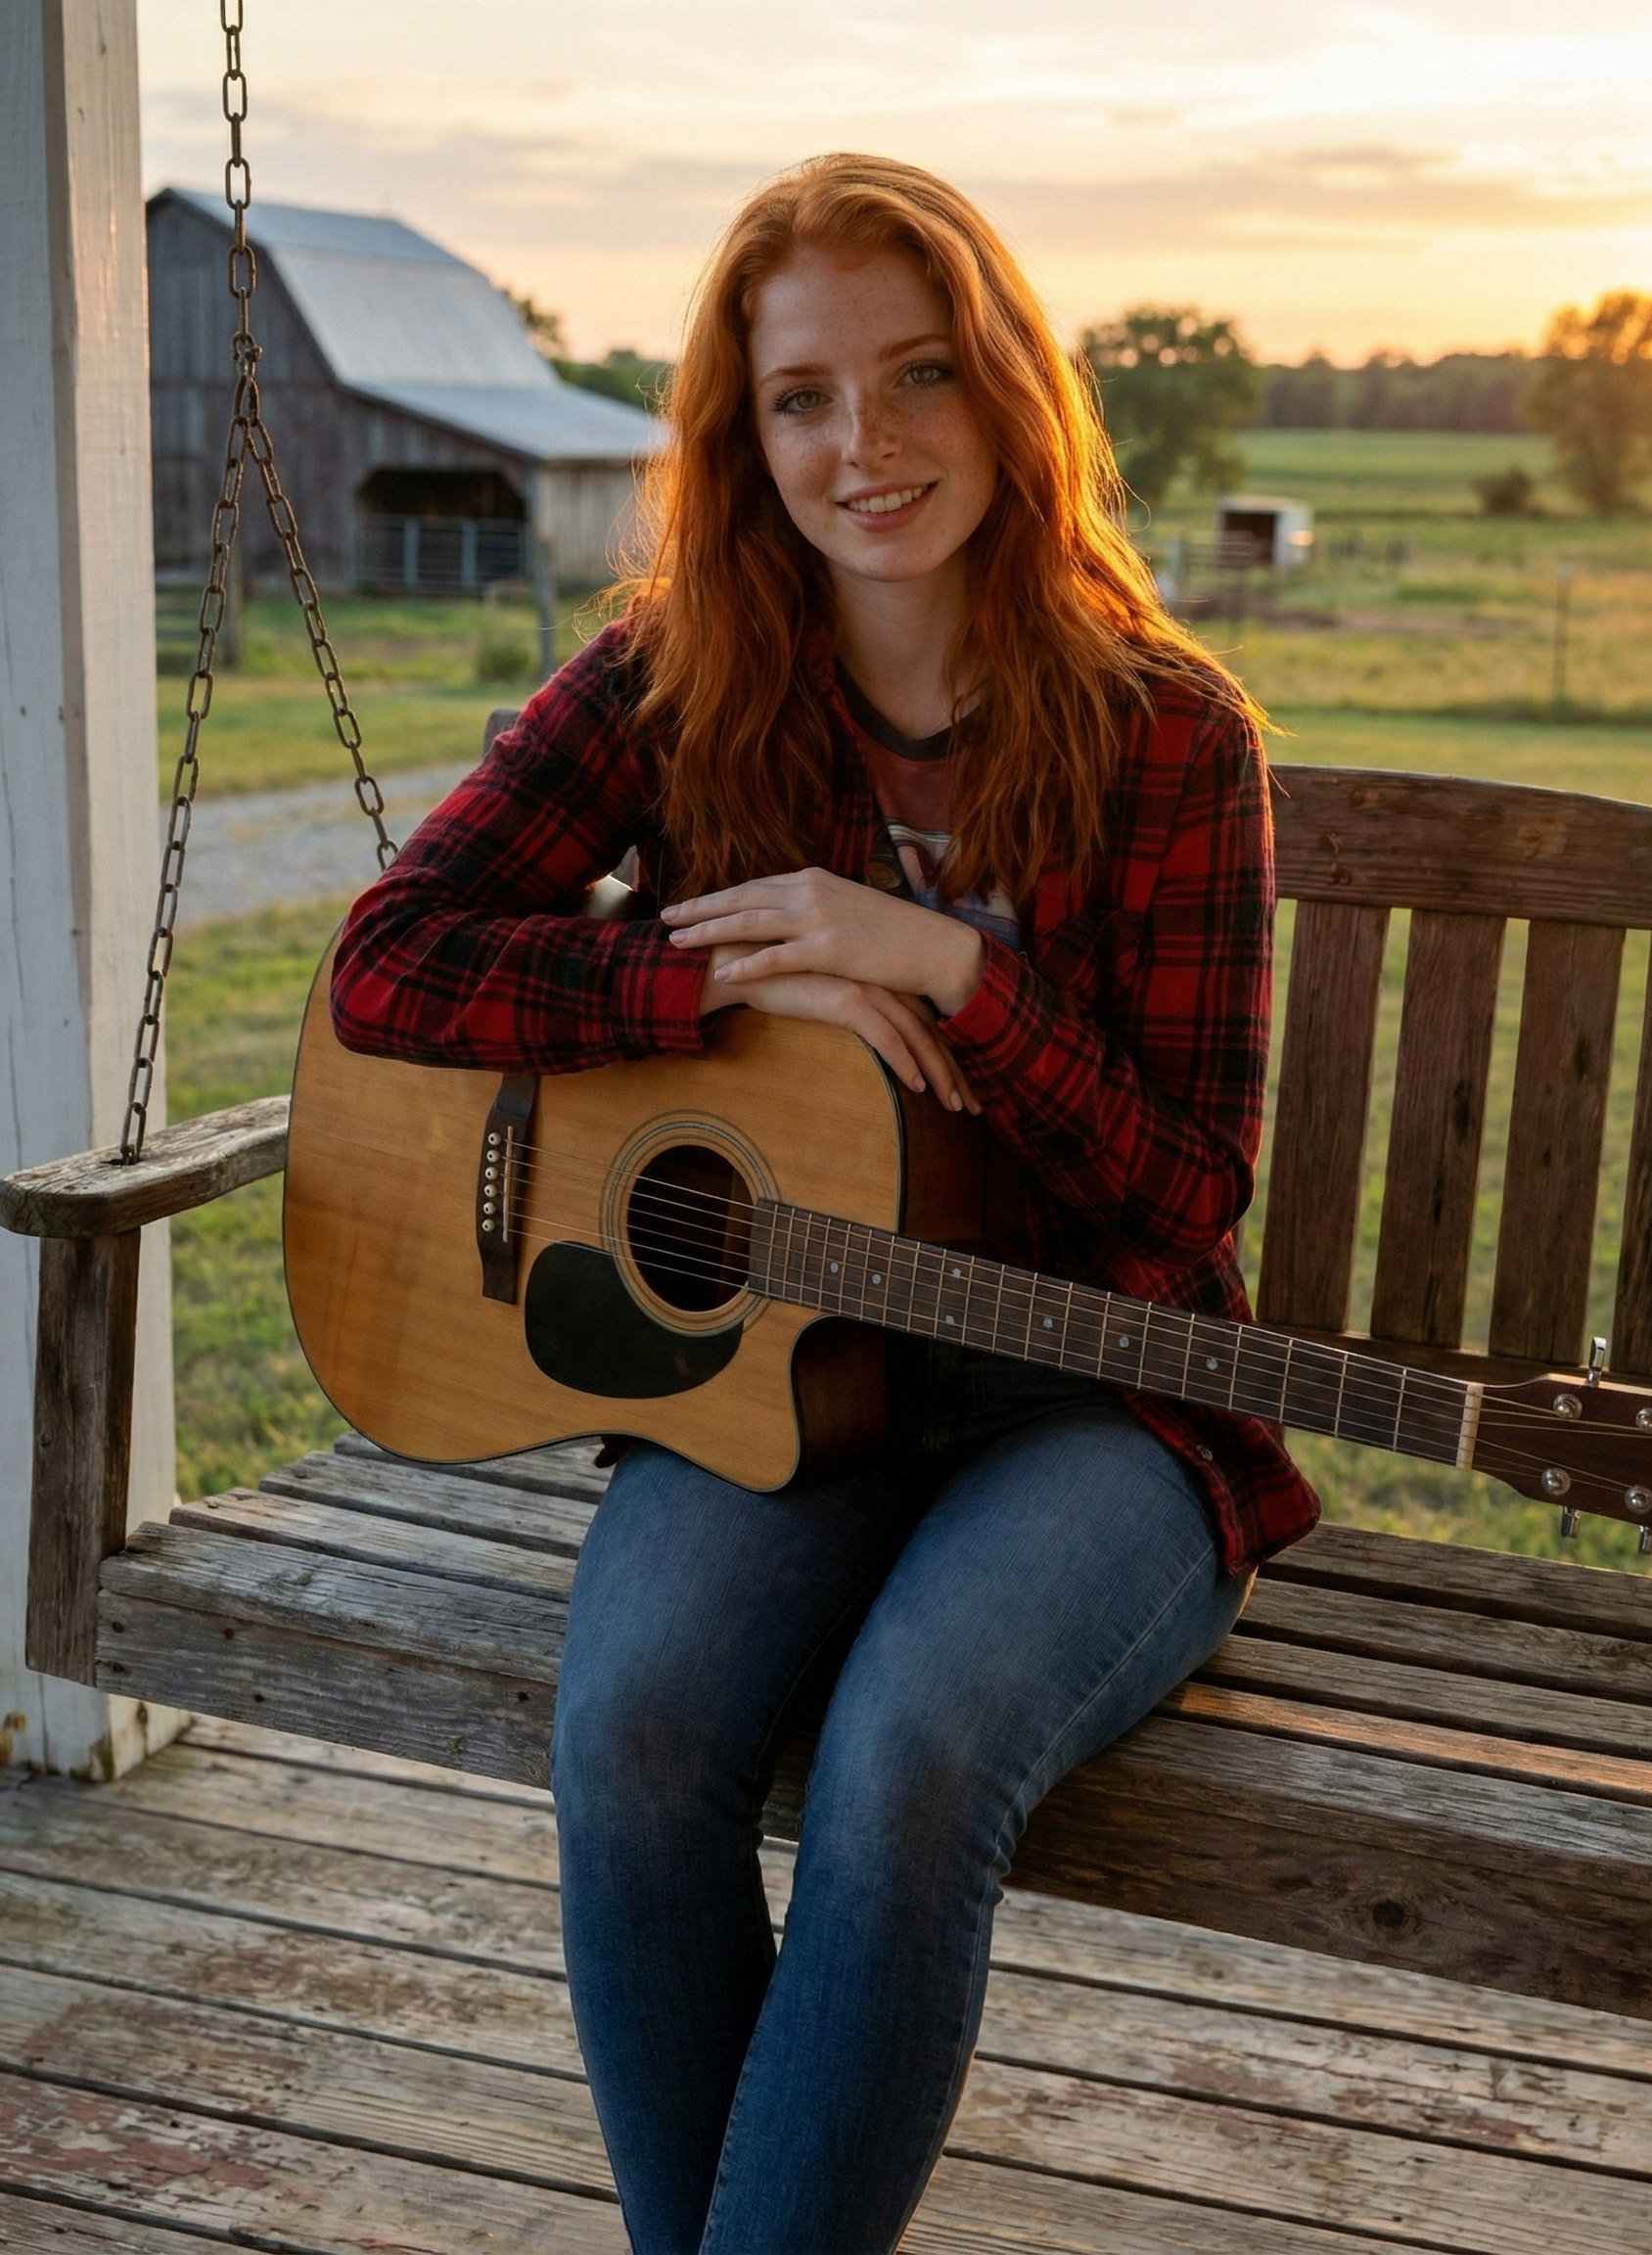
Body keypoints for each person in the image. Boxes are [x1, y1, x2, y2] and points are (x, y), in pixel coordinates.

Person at [331, 153, 1320, 2255]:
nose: (861, 448)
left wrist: (944, 963)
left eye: (917, 378)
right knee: (637, 1731)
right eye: (800, 397)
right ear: (738, 427)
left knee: (911, 1764)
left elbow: (1184, 1193)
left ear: (1008, 398)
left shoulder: (1170, 738)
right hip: (779, 1366)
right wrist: (710, 974)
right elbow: (387, 962)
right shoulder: (673, 683)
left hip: (1093, 1406)